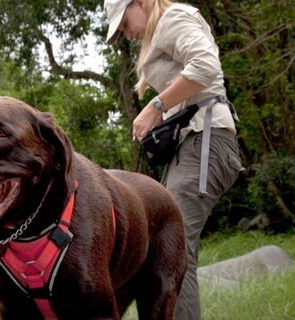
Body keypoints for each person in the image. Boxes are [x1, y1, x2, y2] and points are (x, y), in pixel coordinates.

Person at [104, 0, 243, 319]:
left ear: (140, 3)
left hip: (207, 139)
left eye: (125, 24)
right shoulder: (160, 30)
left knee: (173, 251)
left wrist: (155, 107)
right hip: (190, 144)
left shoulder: (172, 17)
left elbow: (206, 65)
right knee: (158, 246)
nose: (127, 34)